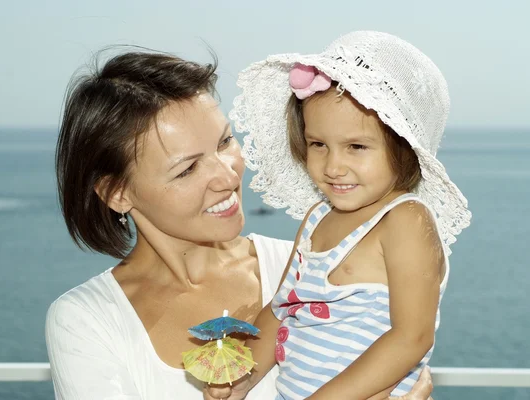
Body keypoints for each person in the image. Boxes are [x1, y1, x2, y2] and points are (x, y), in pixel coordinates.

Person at [45, 48, 436, 400]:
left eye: (225, 142)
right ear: (117, 193)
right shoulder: (88, 321)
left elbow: (404, 344)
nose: (228, 176)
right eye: (187, 169)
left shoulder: (313, 268)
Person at [207, 31, 471, 400]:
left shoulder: (404, 221)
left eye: (357, 147)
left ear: (404, 150)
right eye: (318, 144)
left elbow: (411, 337)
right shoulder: (317, 217)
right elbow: (282, 308)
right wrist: (244, 376)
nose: (333, 166)